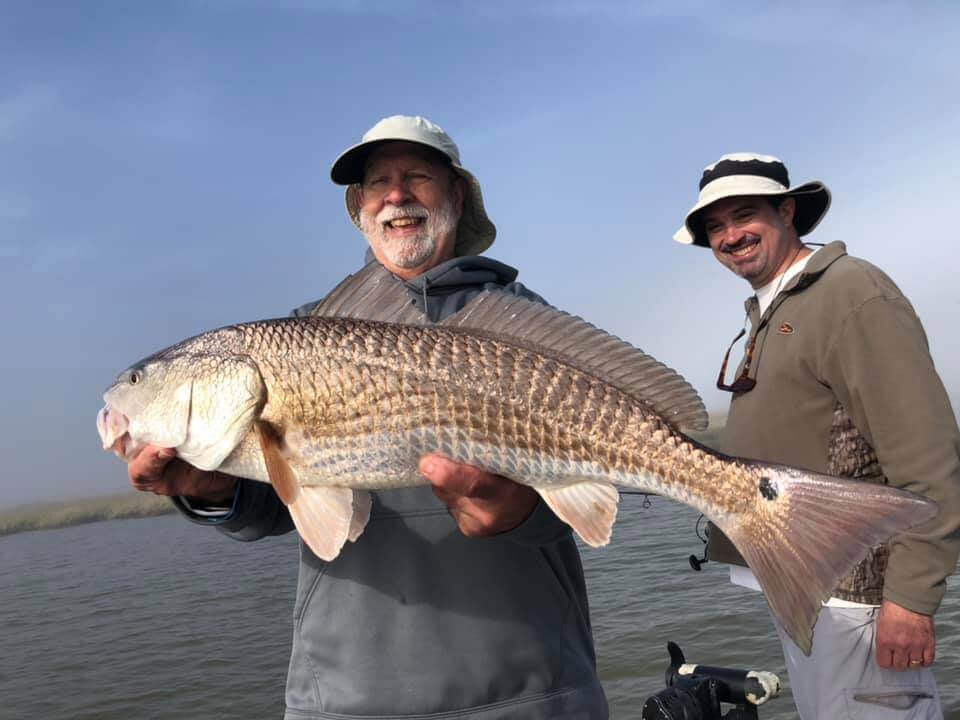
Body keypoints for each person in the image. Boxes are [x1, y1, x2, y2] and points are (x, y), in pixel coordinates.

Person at [127, 115, 608, 719]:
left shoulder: (522, 324)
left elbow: (588, 493)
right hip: (351, 697)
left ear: (456, 194)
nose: (396, 195)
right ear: (359, 207)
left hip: (534, 690)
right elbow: (279, 508)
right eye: (377, 182)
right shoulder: (297, 338)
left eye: (416, 177)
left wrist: (525, 513)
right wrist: (215, 491)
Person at [673, 152, 960, 719]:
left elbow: (928, 456)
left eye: (744, 214)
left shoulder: (852, 292)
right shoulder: (773, 304)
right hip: (802, 584)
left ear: (787, 211)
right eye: (714, 226)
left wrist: (911, 599)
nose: (729, 236)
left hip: (860, 593)